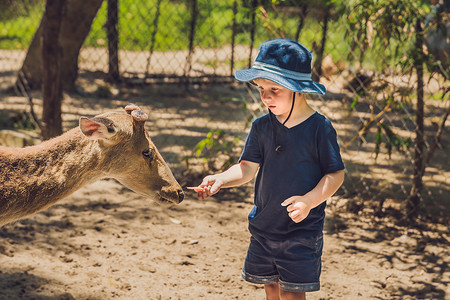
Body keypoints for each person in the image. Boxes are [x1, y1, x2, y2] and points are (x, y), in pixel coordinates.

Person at [193, 38, 345, 300]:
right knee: (271, 289)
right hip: (264, 227)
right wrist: (220, 179)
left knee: (291, 294)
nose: (265, 97)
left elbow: (335, 174)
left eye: (274, 88)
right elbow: (247, 168)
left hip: (301, 232)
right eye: (261, 88)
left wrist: (309, 201)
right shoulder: (261, 127)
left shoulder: (320, 128)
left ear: (298, 88)